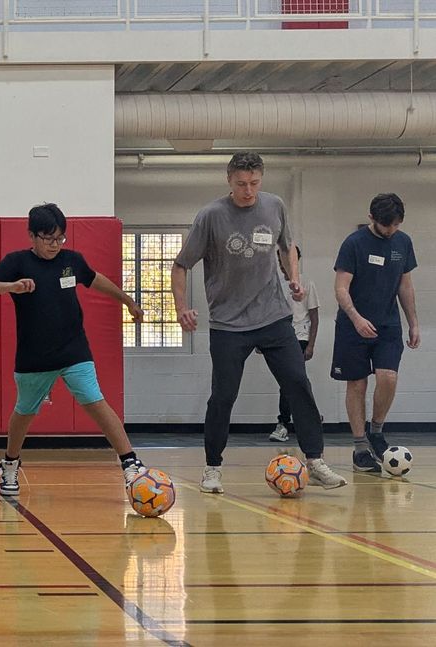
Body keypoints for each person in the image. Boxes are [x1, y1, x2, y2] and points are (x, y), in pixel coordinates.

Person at [171, 151, 346, 493]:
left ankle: (315, 459)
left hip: (273, 316)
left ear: (261, 180)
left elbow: (287, 245)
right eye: (241, 184)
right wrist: (181, 307)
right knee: (223, 395)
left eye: (254, 183)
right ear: (229, 181)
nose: (248, 191)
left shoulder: (274, 205)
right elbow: (181, 265)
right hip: (227, 323)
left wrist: (293, 277)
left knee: (298, 383)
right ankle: (212, 467)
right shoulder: (210, 216)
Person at [0, 203, 150, 497]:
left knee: (96, 402)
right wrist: (12, 286)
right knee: (25, 412)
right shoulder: (17, 261)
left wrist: (127, 301)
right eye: (48, 239)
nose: (55, 245)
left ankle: (130, 463)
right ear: (32, 236)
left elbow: (96, 280)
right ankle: (10, 462)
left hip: (73, 350)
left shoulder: (72, 260)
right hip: (34, 356)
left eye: (60, 238)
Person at [331, 193, 419, 473]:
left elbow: (405, 285)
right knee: (357, 385)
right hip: (352, 325)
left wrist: (413, 322)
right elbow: (341, 288)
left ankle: (376, 431)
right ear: (372, 219)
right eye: (386, 226)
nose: (391, 231)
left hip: (388, 325)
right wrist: (356, 318)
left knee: (388, 377)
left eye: (395, 225)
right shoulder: (353, 244)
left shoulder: (403, 243)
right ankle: (360, 448)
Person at [269, 246, 320, 442]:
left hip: (299, 337)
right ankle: (310, 415)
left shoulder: (306, 282)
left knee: (290, 380)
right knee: (293, 381)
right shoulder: (273, 282)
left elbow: (314, 317)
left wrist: (311, 345)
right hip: (279, 336)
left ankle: (283, 424)